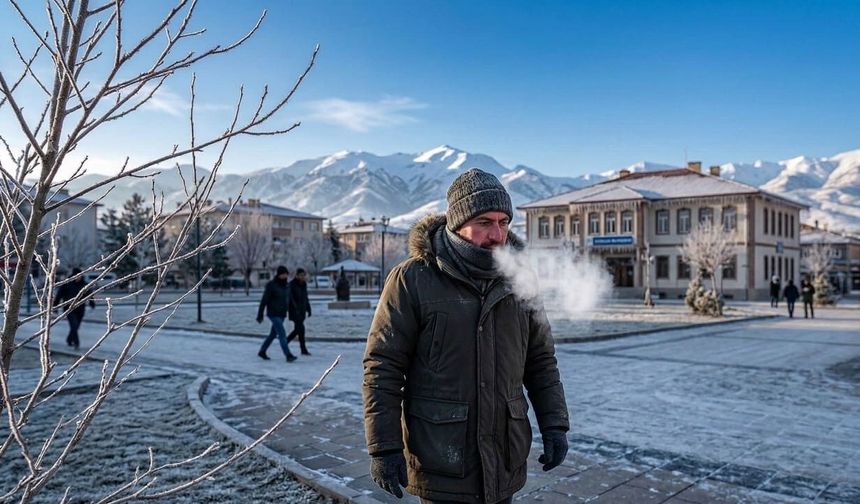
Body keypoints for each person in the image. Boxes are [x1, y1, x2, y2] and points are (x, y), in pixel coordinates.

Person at [362, 168, 570, 503]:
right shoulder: (413, 279)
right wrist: (383, 447)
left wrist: (555, 424)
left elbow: (541, 359)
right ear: (457, 223)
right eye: (485, 222)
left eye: (504, 222)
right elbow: (382, 367)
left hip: (505, 455)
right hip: (442, 458)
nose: (497, 234)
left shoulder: (521, 279)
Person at [257, 266, 296, 362]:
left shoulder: (286, 286)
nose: (285, 276)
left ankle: (262, 351)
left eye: (286, 274)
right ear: (278, 274)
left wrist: (294, 309)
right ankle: (288, 355)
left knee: (273, 334)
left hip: (282, 313)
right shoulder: (271, 285)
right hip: (273, 313)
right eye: (283, 274)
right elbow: (264, 300)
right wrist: (260, 314)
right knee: (282, 333)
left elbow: (289, 299)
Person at [53, 267, 95, 349]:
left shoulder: (84, 284)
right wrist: (56, 307)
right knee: (74, 325)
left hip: (80, 309)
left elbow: (90, 295)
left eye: (79, 275)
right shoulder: (67, 284)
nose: (78, 277)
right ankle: (76, 343)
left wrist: (92, 303)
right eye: (76, 275)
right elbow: (59, 295)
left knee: (76, 326)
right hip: (69, 308)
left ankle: (69, 339)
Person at [287, 268, 312, 356]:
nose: (302, 277)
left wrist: (308, 308)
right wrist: (295, 308)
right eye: (301, 275)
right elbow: (291, 298)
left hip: (302, 310)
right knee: (300, 329)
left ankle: (303, 349)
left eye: (303, 275)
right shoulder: (292, 285)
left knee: (300, 330)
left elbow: (305, 297)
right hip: (294, 311)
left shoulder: (304, 284)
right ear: (296, 275)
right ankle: (286, 342)